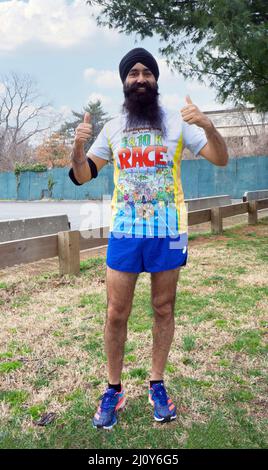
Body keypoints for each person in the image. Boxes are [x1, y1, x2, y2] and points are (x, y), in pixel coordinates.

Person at [69, 48, 228, 430]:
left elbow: (220, 159)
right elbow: (81, 175)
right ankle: (113, 389)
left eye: (147, 73)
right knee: (115, 313)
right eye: (133, 73)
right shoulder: (112, 128)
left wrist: (208, 126)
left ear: (156, 80)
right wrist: (77, 148)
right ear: (124, 82)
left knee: (164, 308)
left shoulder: (177, 122)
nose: (140, 78)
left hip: (170, 232)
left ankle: (157, 382)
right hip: (125, 231)